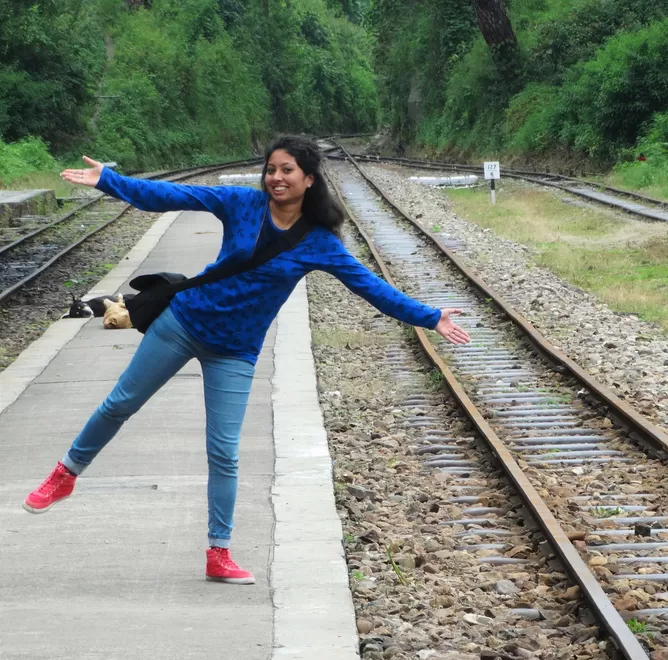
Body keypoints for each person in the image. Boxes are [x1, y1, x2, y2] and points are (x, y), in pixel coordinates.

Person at [23, 134, 471, 585]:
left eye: (287, 171)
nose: (276, 178)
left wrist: (429, 316)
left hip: (235, 352)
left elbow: (370, 287)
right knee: (120, 403)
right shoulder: (241, 204)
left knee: (224, 452)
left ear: (309, 180)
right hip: (181, 324)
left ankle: (219, 551)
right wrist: (110, 181)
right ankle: (65, 474)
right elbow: (173, 195)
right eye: (271, 169)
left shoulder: (319, 244)